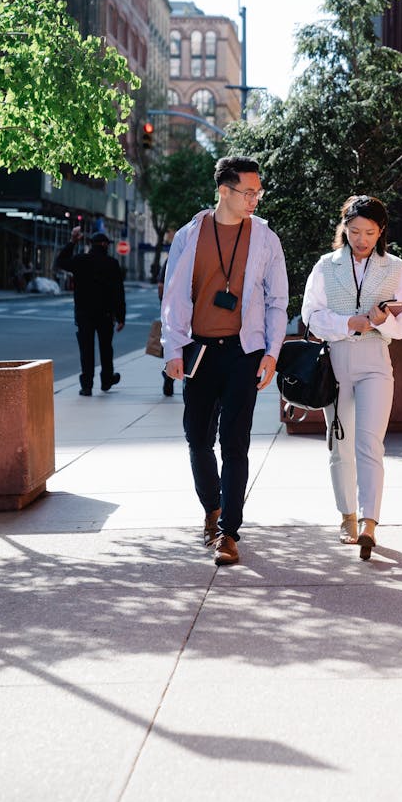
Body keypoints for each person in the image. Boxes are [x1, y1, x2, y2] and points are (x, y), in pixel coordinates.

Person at [161, 156, 288, 566]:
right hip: (198, 351)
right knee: (198, 439)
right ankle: (211, 510)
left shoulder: (266, 238)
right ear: (224, 191)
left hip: (243, 352)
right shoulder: (190, 235)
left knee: (235, 443)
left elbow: (276, 300)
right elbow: (174, 296)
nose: (254, 199)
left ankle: (229, 532)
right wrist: (173, 350)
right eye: (247, 192)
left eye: (258, 191)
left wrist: (271, 352)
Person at [301, 195, 402, 559]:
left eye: (369, 232)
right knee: (340, 444)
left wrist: (388, 321)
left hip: (375, 362)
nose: (361, 239)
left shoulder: (396, 269)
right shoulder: (325, 266)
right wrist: (345, 323)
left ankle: (370, 522)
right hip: (335, 362)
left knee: (370, 443)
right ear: (344, 229)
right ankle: (347, 516)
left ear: (381, 231)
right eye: (354, 231)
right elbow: (310, 316)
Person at [55, 229, 126, 397]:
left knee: (86, 349)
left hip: (84, 313)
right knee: (106, 348)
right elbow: (118, 292)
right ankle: (107, 379)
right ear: (104, 245)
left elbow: (61, 261)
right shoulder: (112, 263)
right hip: (105, 314)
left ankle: (86, 385)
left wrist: (73, 241)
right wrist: (121, 316)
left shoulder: (80, 260)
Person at [157, 259, 173, 397]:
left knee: (173, 343)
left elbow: (161, 286)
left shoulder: (170, 260)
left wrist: (163, 304)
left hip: (172, 309)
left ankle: (169, 375)